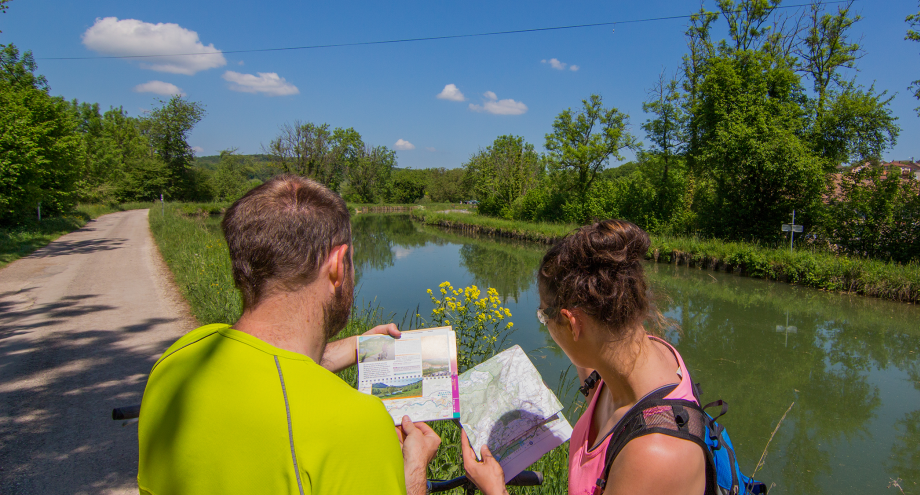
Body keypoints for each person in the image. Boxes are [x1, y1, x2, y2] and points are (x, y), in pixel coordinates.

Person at [137, 175, 440, 495]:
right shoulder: (354, 425)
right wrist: (415, 472)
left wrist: (358, 347)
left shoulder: (179, 358)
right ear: (338, 265)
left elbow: (272, 375)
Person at [460, 219, 707, 495]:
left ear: (572, 323)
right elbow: (603, 395)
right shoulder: (642, 350)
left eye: (543, 316)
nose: (543, 322)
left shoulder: (653, 456)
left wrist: (495, 490)